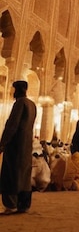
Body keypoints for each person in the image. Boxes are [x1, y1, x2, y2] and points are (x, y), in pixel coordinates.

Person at [0, 80, 37, 214]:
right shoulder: (32, 105)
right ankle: (24, 204)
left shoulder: (20, 103)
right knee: (24, 174)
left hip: (15, 146)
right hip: (26, 145)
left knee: (11, 173)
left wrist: (3, 142)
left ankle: (11, 204)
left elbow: (12, 125)